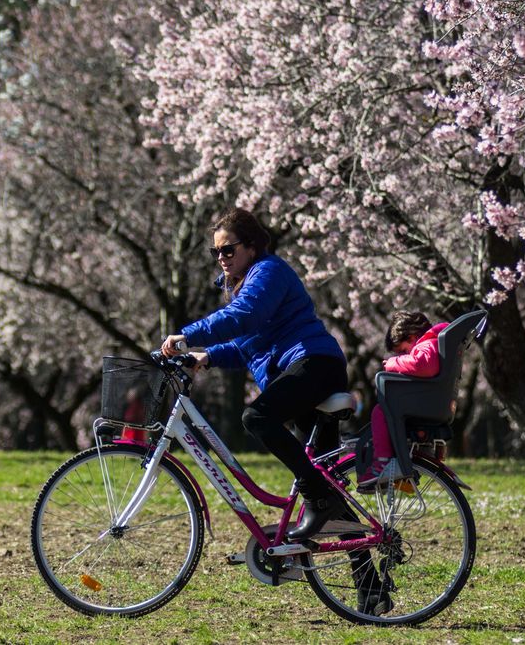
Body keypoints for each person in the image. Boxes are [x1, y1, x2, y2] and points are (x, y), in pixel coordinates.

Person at [161, 208, 349, 541]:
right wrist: (209, 357)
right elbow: (249, 347)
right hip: (303, 368)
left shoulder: (268, 271)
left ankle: (318, 497)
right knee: (325, 479)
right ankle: (370, 587)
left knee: (256, 417)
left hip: (315, 364)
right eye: (215, 252)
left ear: (251, 246)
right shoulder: (241, 284)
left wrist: (188, 335)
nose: (221, 257)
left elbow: (245, 316)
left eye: (228, 249)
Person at [358, 311, 449, 489]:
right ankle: (401, 468)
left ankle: (382, 463)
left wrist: (394, 362)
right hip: (426, 401)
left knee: (380, 412)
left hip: (422, 403)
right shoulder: (431, 343)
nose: (403, 356)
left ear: (413, 336)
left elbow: (423, 365)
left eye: (403, 351)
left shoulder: (427, 344)